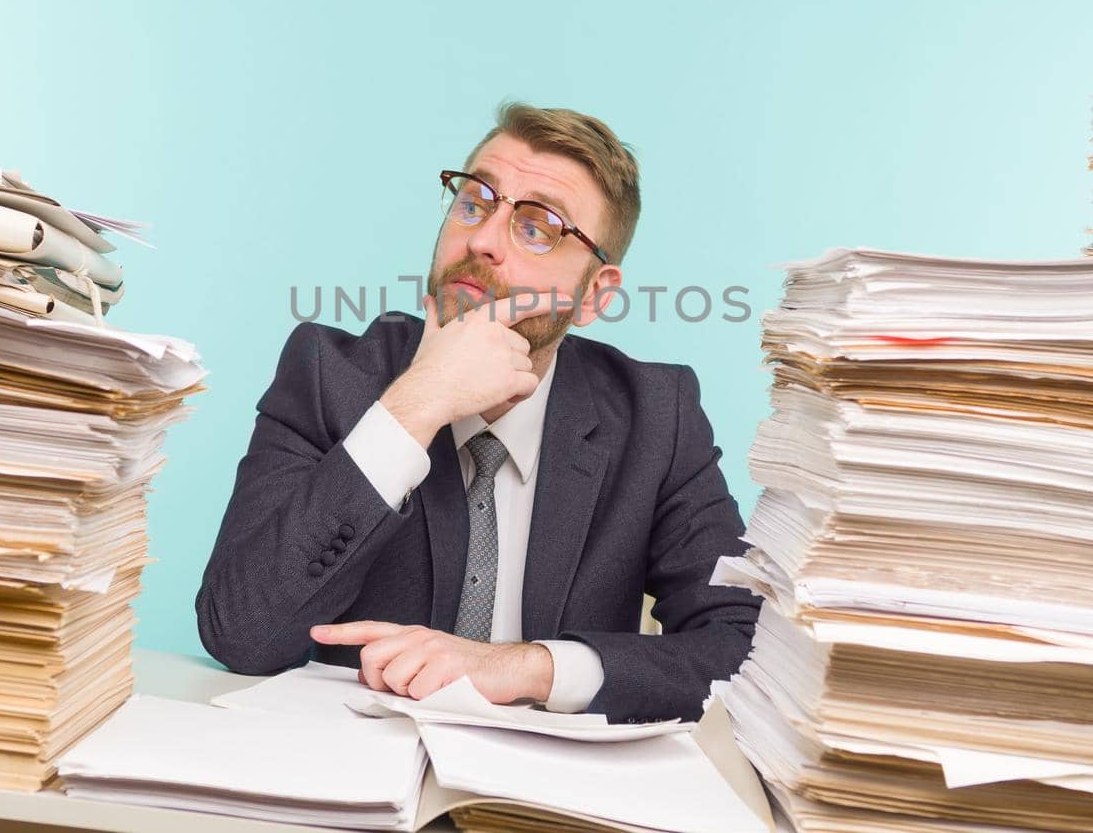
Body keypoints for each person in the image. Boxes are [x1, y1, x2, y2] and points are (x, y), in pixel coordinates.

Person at [196, 102, 760, 722]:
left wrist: (531, 666)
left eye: (538, 227)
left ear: (594, 294)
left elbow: (744, 650)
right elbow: (239, 632)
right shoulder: (330, 375)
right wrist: (417, 401)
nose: (483, 240)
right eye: (474, 202)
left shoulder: (657, 416)